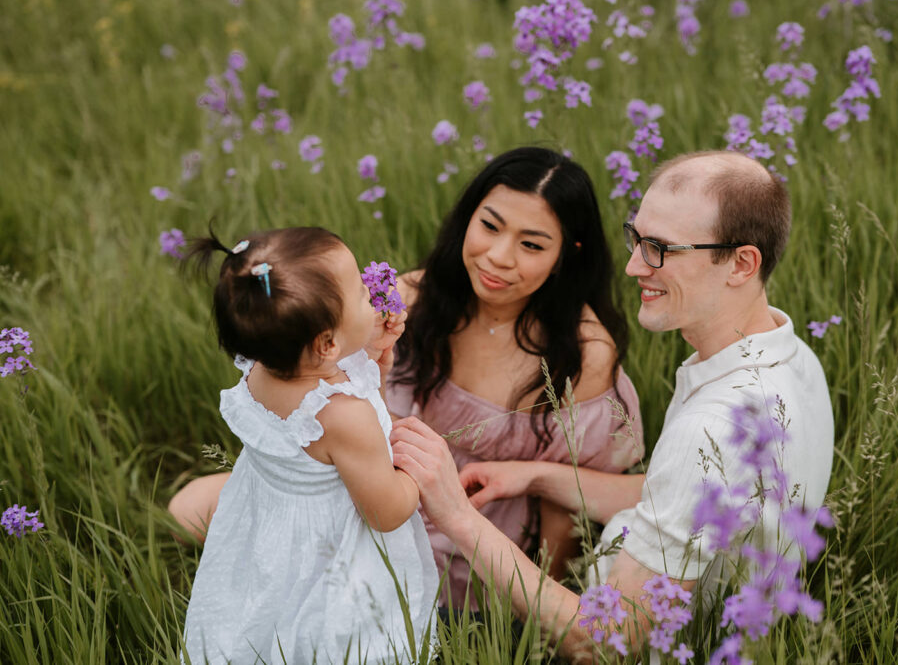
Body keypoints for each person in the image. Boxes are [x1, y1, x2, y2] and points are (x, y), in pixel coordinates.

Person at [389, 151, 835, 661]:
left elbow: (604, 640)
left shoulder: (711, 426)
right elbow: (677, 495)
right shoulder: (791, 356)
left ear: (741, 263)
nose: (633, 265)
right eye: (637, 239)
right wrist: (534, 475)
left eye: (660, 249)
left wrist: (456, 516)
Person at [168, 147, 645, 610]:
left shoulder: (582, 352)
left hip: (473, 527)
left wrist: (542, 603)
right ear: (469, 216)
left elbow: (571, 502)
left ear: (568, 252)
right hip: (369, 482)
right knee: (188, 509)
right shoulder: (410, 296)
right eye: (489, 226)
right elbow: (314, 384)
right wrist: (375, 371)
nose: (499, 256)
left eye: (532, 244)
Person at [180, 228, 437, 664]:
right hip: (330, 554)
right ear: (327, 343)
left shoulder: (264, 365)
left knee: (269, 624)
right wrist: (417, 474)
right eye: (360, 294)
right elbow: (385, 512)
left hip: (268, 538)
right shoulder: (344, 416)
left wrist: (371, 355)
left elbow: (326, 373)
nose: (372, 300)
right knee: (325, 638)